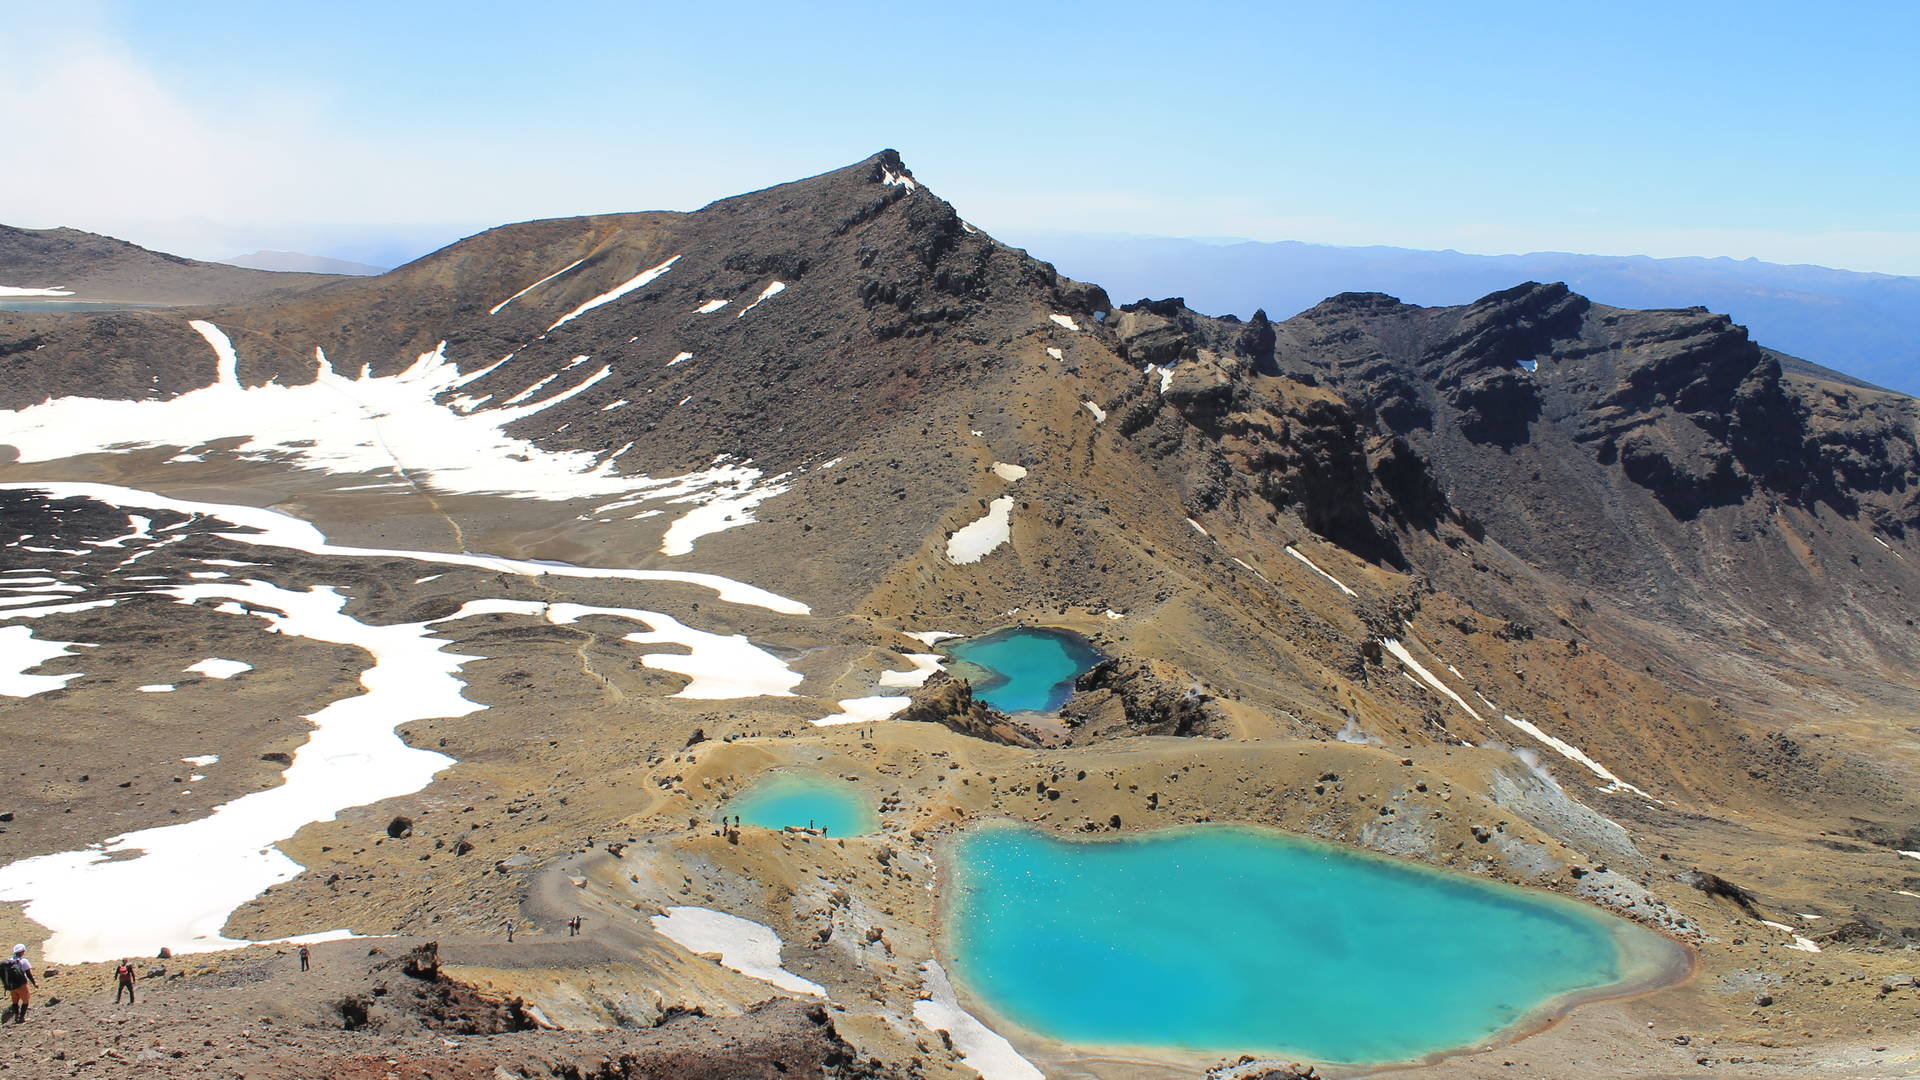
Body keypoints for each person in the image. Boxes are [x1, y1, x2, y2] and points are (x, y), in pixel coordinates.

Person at [3, 944, 35, 1023]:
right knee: (26, 1001)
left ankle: (16, 1017)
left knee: (15, 1002)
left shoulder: (9, 961)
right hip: (22, 984)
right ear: (22, 952)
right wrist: (34, 983)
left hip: (12, 985)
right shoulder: (23, 961)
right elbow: (28, 974)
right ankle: (22, 1018)